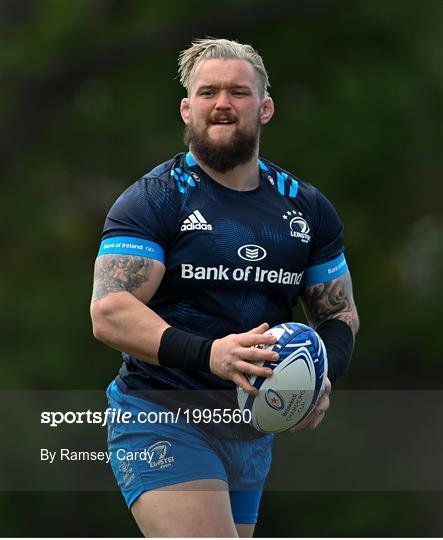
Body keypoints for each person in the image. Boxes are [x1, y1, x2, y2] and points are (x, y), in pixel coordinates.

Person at [90, 37, 359, 538]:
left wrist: (325, 376)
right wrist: (210, 353)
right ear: (187, 108)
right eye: (209, 92)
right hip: (162, 415)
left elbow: (339, 316)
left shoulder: (306, 208)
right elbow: (109, 311)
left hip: (253, 428)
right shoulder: (155, 199)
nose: (222, 104)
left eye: (238, 92)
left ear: (265, 107)